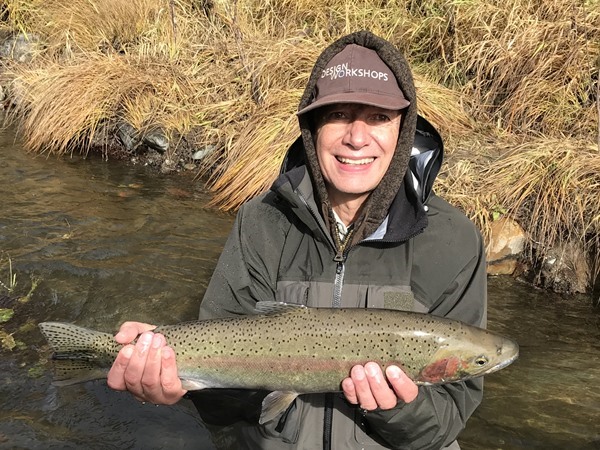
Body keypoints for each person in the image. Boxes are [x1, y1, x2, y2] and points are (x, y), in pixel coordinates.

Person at [107, 30, 487, 449]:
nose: (357, 137)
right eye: (339, 114)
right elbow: (224, 409)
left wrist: (396, 407)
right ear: (312, 128)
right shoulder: (262, 221)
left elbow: (444, 426)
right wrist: (176, 380)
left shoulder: (454, 240)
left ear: (404, 128)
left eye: (378, 117)